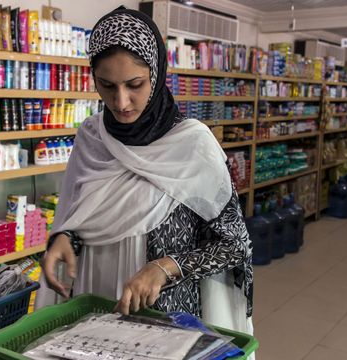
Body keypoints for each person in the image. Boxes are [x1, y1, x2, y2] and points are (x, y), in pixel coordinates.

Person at [36, 6, 254, 334]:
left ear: (156, 73)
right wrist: (66, 238)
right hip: (95, 296)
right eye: (107, 85)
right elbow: (79, 215)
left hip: (164, 314)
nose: (121, 101)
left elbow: (234, 245)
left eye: (134, 84)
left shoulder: (193, 144)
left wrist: (166, 268)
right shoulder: (92, 137)